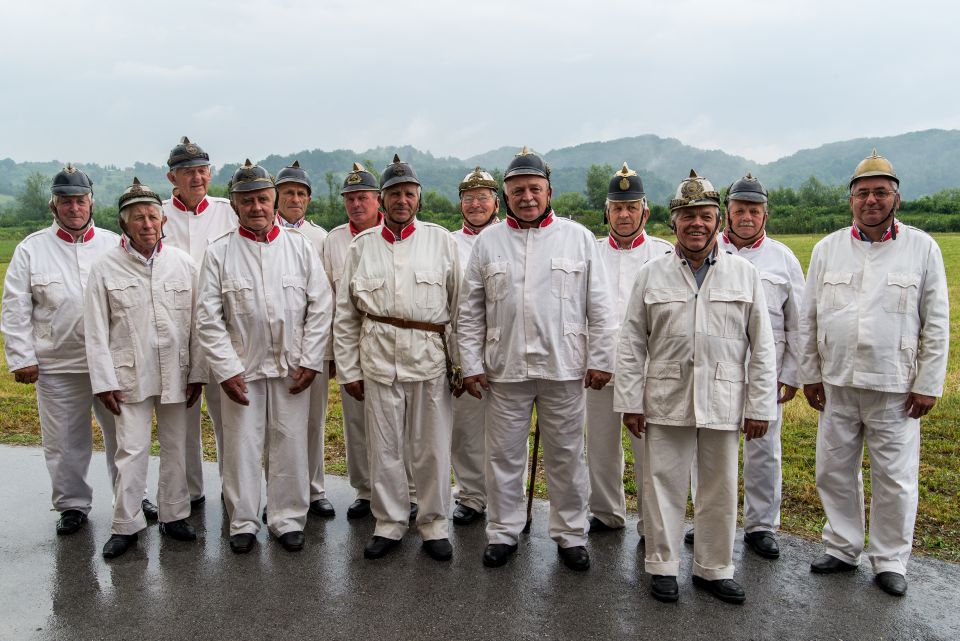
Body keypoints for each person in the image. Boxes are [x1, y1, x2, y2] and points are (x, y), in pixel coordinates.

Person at [614, 170, 777, 604]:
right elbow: (631, 343)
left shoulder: (743, 275)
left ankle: (713, 568)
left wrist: (760, 406)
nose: (696, 224)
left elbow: (762, 346)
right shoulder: (651, 275)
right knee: (663, 482)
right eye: (687, 216)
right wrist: (630, 400)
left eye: (705, 215)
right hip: (666, 396)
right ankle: (663, 564)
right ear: (673, 222)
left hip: (724, 397)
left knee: (719, 487)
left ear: (718, 220)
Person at [458, 146, 617, 571]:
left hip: (564, 367)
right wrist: (470, 363)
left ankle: (570, 534)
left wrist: (602, 358)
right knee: (504, 456)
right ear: (505, 196)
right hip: (504, 368)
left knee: (566, 455)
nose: (526, 196)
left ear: (549, 191)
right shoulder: (488, 242)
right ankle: (503, 531)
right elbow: (470, 310)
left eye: (534, 188)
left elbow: (600, 306)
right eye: (517, 190)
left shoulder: (578, 237)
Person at [800, 150, 949, 597]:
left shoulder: (922, 248)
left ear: (896, 199)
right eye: (863, 192)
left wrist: (928, 383)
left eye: (880, 192)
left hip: (895, 386)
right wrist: (810, 374)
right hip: (838, 383)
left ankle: (889, 560)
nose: (871, 200)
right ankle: (843, 547)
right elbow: (808, 318)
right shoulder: (828, 249)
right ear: (851, 200)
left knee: (896, 476)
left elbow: (937, 321)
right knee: (833, 469)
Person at [196, 160, 332, 554]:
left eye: (262, 199)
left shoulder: (300, 247)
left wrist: (310, 360)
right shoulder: (219, 252)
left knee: (289, 442)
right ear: (235, 205)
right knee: (241, 445)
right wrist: (225, 368)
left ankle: (287, 518)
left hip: (293, 367)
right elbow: (207, 316)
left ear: (274, 201)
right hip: (242, 369)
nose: (256, 207)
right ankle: (242, 521)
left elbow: (321, 306)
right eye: (247, 200)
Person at [333, 155, 460, 561]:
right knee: (384, 448)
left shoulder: (442, 241)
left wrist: (461, 366)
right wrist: (348, 371)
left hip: (428, 362)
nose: (401, 200)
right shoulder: (361, 247)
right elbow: (346, 314)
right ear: (382, 200)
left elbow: (458, 309)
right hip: (378, 361)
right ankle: (388, 522)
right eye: (394, 194)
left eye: (409, 193)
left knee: (431, 448)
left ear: (418, 199)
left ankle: (434, 523)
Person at [1, 165, 137, 535]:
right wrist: (22, 357)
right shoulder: (32, 249)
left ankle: (131, 499)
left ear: (91, 202)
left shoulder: (114, 244)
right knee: (63, 442)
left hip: (109, 363)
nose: (73, 207)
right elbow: (15, 306)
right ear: (53, 205)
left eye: (80, 200)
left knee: (124, 437)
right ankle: (72, 505)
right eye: (66, 201)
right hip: (57, 363)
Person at [84, 178, 204, 558]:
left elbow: (199, 325)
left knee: (177, 446)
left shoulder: (183, 264)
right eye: (138, 217)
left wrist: (198, 373)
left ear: (164, 220)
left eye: (153, 216)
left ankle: (174, 515)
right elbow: (95, 330)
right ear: (124, 224)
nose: (147, 224)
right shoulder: (105, 268)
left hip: (177, 372)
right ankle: (126, 523)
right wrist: (103, 381)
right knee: (131, 450)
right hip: (127, 375)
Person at [322, 162, 417, 521]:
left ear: (379, 200)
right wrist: (336, 355)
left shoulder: (402, 235)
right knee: (357, 422)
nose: (356, 205)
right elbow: (333, 301)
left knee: (403, 425)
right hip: (354, 341)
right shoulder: (333, 239)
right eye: (350, 199)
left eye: (363, 197)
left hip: (395, 342)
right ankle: (365, 490)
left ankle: (408, 491)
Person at [718, 173, 805, 559]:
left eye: (754, 210)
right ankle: (712, 519)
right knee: (711, 451)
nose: (747, 217)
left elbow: (798, 322)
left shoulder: (783, 258)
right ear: (727, 214)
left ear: (765, 214)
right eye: (740, 210)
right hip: (717, 368)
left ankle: (761, 526)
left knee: (764, 450)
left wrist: (792, 373)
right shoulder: (709, 251)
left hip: (764, 372)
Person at [585, 163, 671, 537]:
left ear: (645, 212)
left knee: (649, 454)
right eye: (617, 207)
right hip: (599, 369)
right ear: (607, 211)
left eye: (631, 207)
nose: (624, 214)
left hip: (648, 372)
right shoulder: (589, 252)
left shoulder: (665, 254)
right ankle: (606, 512)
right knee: (600, 449)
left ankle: (651, 522)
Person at [162, 136, 237, 505]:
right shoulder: (156, 214)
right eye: (187, 172)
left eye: (202, 170)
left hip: (223, 331)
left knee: (230, 420)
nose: (197, 178)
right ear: (171, 177)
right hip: (174, 333)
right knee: (181, 421)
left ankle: (233, 489)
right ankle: (189, 492)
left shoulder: (229, 211)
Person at [274, 160, 335, 518]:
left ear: (309, 200)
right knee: (275, 426)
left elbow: (324, 297)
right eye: (288, 193)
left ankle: (314, 489)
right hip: (275, 345)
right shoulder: (262, 233)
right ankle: (278, 489)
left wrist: (324, 353)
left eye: (300, 193)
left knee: (314, 421)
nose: (294, 198)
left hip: (314, 346)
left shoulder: (320, 238)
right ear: (276, 197)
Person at [449, 167, 501, 526]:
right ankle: (471, 494)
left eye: (483, 197)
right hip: (461, 347)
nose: (476, 204)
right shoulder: (447, 241)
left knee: (506, 431)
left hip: (504, 346)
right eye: (469, 198)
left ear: (497, 202)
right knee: (464, 427)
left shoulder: (509, 238)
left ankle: (503, 498)